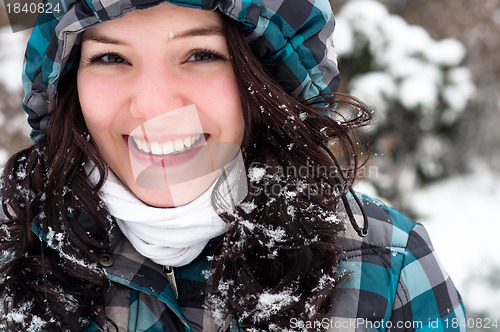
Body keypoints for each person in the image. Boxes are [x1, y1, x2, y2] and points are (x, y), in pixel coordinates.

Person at [0, 0, 466, 331]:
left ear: (261, 78)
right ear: (68, 87)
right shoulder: (11, 265)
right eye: (110, 57)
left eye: (201, 54)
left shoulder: (390, 270)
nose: (155, 105)